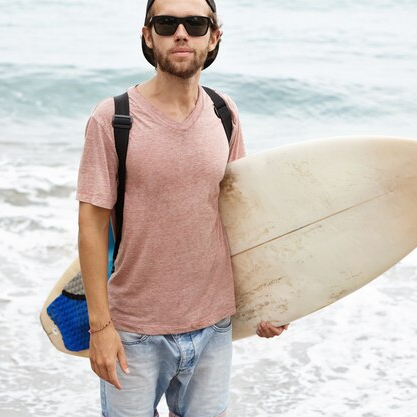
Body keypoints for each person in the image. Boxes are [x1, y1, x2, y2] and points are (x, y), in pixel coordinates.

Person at [76, 0, 288, 415]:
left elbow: (239, 217)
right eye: (166, 22)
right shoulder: (113, 118)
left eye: (195, 23)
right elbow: (91, 224)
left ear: (214, 37)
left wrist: (264, 303)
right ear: (147, 34)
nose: (181, 33)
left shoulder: (224, 113)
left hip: (213, 326)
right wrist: (100, 327)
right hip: (134, 330)